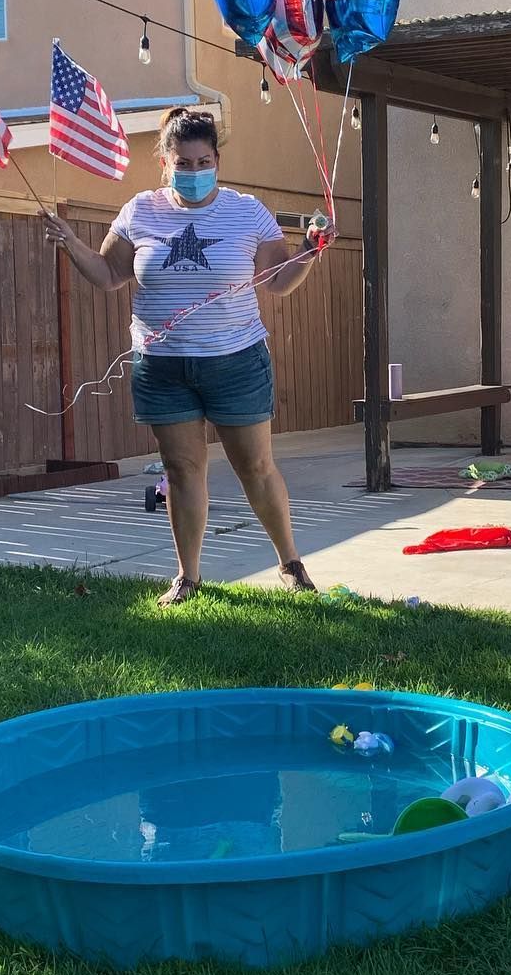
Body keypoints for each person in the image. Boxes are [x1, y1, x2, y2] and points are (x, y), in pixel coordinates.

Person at [44, 107, 324, 605]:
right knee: (180, 470)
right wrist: (71, 245)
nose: (194, 172)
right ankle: (189, 578)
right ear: (165, 163)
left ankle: (291, 563)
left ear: (217, 159)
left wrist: (309, 251)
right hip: (163, 366)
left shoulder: (246, 212)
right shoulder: (140, 211)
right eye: (184, 163)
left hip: (235, 360)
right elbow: (109, 274)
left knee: (256, 468)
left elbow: (279, 282)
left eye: (203, 161)